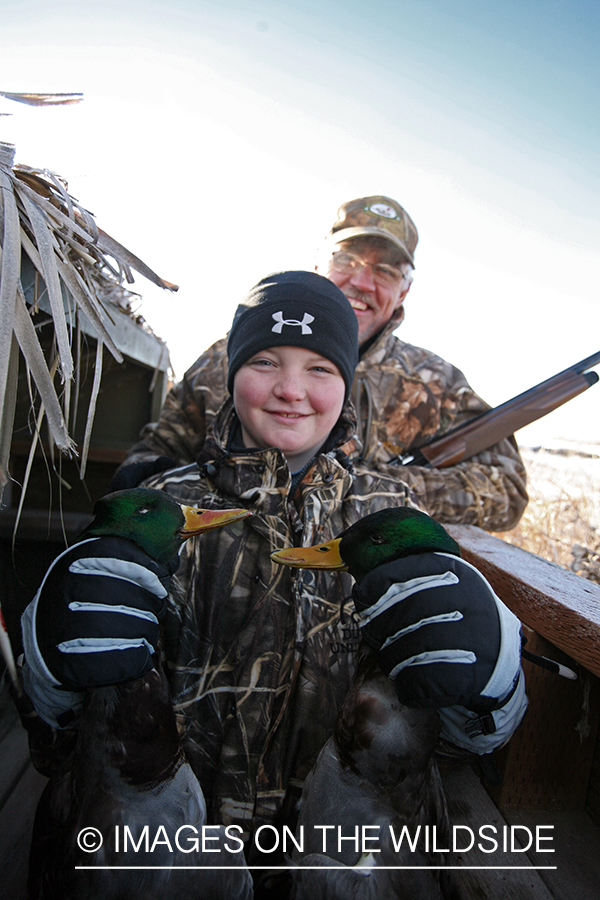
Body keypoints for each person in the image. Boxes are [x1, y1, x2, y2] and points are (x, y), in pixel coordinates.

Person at [22, 273, 527, 878]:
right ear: (230, 372)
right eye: (265, 359)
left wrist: (494, 685)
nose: (291, 390)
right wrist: (46, 670)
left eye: (320, 368)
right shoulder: (157, 507)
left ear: (347, 382)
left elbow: (457, 747)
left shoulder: (394, 518)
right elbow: (57, 747)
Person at [112, 196, 528, 532]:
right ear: (319, 262)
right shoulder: (227, 359)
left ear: (405, 290)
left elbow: (507, 491)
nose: (362, 282)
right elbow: (154, 456)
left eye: (385, 270)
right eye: (347, 258)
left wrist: (374, 489)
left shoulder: (436, 383)